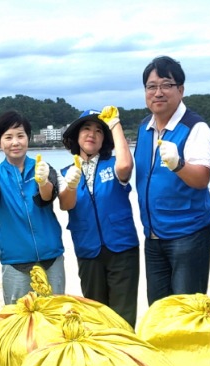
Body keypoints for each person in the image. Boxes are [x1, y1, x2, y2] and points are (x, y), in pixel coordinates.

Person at [133, 56, 210, 305]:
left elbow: (202, 178)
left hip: (188, 234)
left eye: (166, 85)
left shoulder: (195, 126)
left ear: (180, 89)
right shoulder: (144, 127)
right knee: (159, 311)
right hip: (153, 235)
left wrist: (178, 164)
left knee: (187, 310)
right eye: (151, 86)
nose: (158, 92)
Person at [57, 106, 140, 327]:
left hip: (122, 247)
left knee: (123, 315)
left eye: (99, 130)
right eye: (86, 128)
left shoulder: (112, 165)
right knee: (95, 315)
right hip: (88, 250)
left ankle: (125, 357)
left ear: (106, 139)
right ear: (76, 136)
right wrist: (71, 184)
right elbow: (66, 204)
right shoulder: (65, 173)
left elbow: (125, 165)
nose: (92, 134)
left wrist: (115, 124)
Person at [0, 111, 65, 304]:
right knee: (19, 320)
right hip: (16, 260)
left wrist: (42, 181)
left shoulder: (43, 167)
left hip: (51, 256)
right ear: (0, 142)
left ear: (28, 139)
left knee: (55, 317)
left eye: (20, 136)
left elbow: (47, 197)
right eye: (8, 137)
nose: (15, 142)